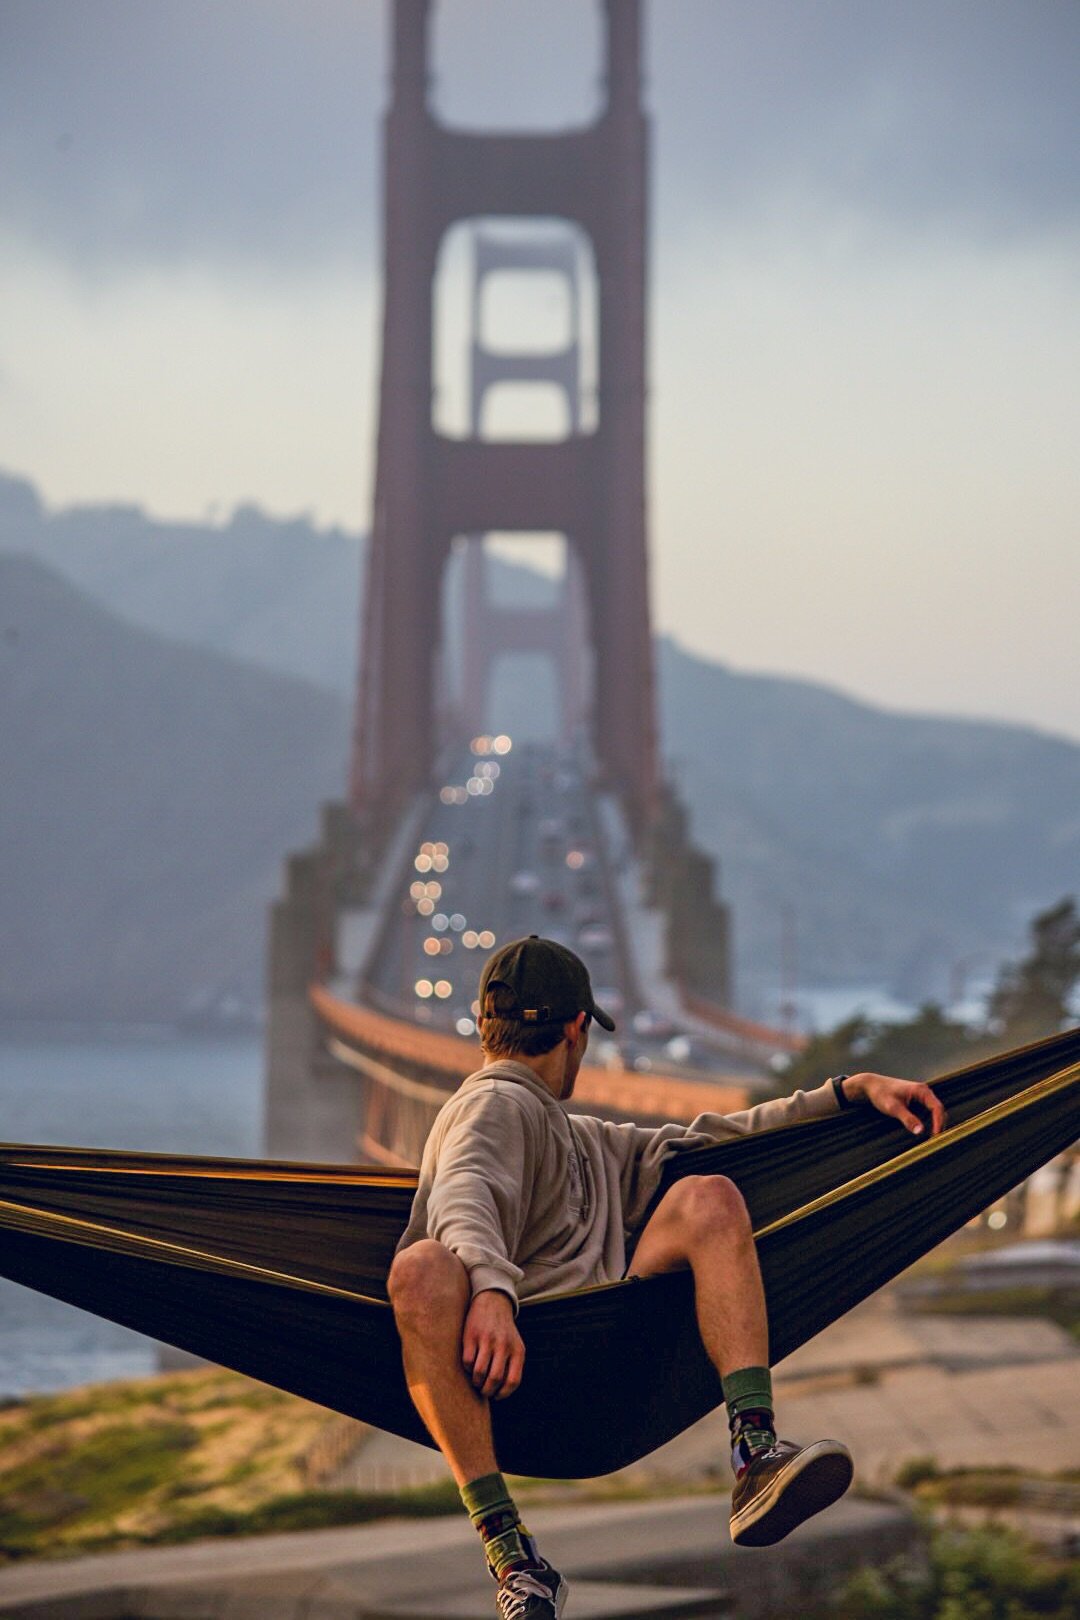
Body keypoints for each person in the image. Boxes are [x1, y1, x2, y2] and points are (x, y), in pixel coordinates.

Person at [389, 936, 946, 1620]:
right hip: (516, 1368)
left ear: (486, 1026)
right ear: (575, 1030)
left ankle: (755, 1455)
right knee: (420, 1268)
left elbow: (712, 1136)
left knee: (708, 1194)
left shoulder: (569, 1132)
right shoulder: (494, 1104)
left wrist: (844, 1093)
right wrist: (493, 1293)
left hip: (602, 1339)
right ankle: (510, 1552)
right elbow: (465, 1187)